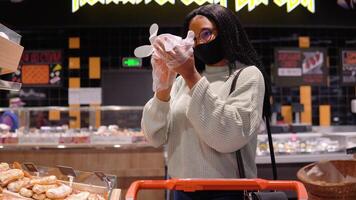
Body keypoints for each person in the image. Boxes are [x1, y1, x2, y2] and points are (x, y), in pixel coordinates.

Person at [141, 4, 271, 200]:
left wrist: (191, 75)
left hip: (227, 193)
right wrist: (163, 86)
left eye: (206, 34)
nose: (197, 42)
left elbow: (228, 137)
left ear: (226, 32)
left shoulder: (247, 76)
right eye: (192, 37)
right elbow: (154, 137)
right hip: (180, 189)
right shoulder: (180, 83)